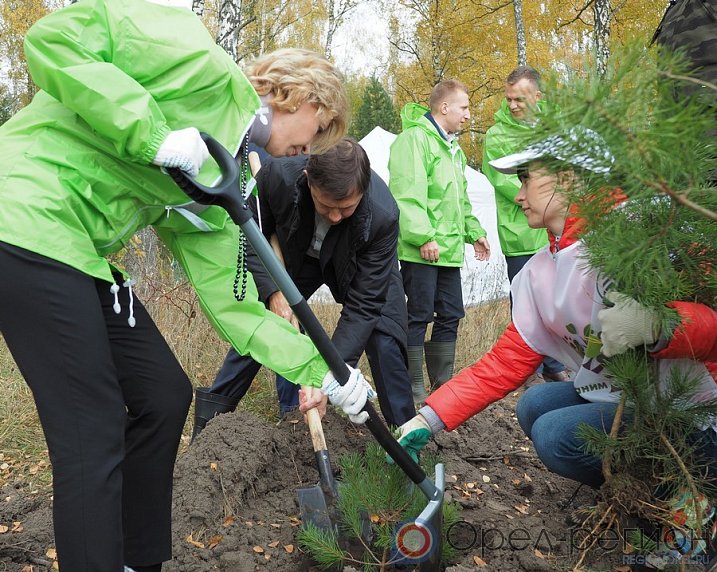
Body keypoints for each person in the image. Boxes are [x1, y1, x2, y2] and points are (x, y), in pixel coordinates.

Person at [0, 1, 374, 571]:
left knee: (164, 393)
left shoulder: (224, 178)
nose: (312, 152)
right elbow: (54, 40)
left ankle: (137, 560)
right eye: (319, 132)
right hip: (23, 213)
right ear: (301, 97)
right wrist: (152, 134)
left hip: (77, 247)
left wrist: (322, 370)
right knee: (91, 423)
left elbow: (235, 303)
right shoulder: (197, 62)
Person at [393, 129, 717, 567]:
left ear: (569, 179)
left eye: (527, 179)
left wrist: (661, 326)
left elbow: (710, 314)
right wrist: (429, 418)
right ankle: (637, 497)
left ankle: (696, 512)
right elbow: (504, 362)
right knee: (536, 403)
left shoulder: (643, 235)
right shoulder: (542, 270)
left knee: (554, 433)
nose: (519, 194)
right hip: (629, 400)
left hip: (696, 409)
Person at [193, 138, 416, 435]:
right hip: (296, 259)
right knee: (261, 327)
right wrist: (272, 290)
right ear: (308, 179)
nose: (336, 216)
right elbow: (248, 235)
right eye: (327, 206)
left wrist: (330, 377)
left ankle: (405, 436)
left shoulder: (382, 215)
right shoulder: (277, 178)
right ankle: (211, 421)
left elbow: (364, 307)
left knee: (385, 339)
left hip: (359, 264)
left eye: (346, 208)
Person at [388, 79, 491, 403]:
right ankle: (414, 388)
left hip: (447, 250)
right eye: (464, 107)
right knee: (419, 315)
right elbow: (407, 193)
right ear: (444, 107)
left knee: (451, 313)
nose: (468, 115)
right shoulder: (414, 140)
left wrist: (475, 232)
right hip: (423, 249)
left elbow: (459, 201)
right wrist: (423, 237)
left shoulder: (453, 149)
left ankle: (442, 385)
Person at [482, 65, 569, 383]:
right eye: (509, 99)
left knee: (557, 299)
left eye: (520, 99)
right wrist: (539, 194)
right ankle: (532, 370)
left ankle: (554, 364)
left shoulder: (552, 127)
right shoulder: (497, 134)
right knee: (525, 301)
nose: (513, 105)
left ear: (538, 96)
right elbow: (502, 181)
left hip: (553, 230)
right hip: (519, 231)